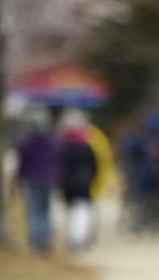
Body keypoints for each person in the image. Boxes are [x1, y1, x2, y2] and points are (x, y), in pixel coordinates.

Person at [15, 107, 60, 253]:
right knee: (44, 210)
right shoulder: (52, 141)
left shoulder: (27, 141)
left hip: (33, 178)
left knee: (35, 210)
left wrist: (18, 178)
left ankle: (37, 241)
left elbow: (22, 161)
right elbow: (57, 161)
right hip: (47, 178)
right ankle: (44, 238)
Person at [60, 113, 99, 253]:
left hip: (70, 185)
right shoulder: (86, 148)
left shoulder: (65, 148)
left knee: (73, 213)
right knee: (81, 213)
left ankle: (74, 239)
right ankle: (78, 240)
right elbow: (94, 167)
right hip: (83, 185)